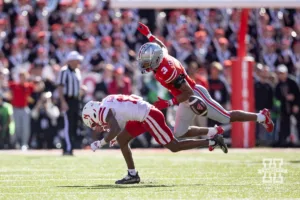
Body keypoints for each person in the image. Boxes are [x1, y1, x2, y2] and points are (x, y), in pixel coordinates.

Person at [136, 22, 274, 141]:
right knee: (179, 133)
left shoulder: (167, 71)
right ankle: (212, 132)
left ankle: (262, 117)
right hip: (184, 98)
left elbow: (188, 92)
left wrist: (168, 103)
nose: (145, 64)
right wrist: (149, 35)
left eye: (147, 61)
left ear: (155, 59)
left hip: (194, 95)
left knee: (225, 117)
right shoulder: (163, 58)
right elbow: (162, 47)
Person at [82, 94, 227, 184]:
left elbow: (115, 128)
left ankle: (212, 140)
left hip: (148, 115)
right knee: (122, 139)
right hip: (142, 114)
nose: (98, 127)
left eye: (95, 124)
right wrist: (113, 136)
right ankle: (132, 174)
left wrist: (100, 143)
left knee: (174, 146)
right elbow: (126, 110)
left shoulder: (102, 111)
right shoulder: (107, 101)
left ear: (93, 114)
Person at [56, 51, 83, 155]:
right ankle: (67, 148)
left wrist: (81, 89)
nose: (78, 62)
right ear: (71, 61)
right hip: (67, 99)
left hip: (76, 100)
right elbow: (60, 87)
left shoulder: (77, 71)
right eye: (77, 60)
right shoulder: (64, 71)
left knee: (74, 125)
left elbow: (77, 86)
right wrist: (63, 101)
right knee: (68, 125)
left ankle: (71, 146)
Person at [275, 65, 300, 146]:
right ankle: (285, 142)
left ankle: (297, 142)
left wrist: (296, 104)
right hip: (285, 108)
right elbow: (277, 97)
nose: (281, 75)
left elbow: (298, 94)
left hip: (295, 107)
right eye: (279, 73)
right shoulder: (278, 84)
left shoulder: (293, 82)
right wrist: (284, 97)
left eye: (282, 73)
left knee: (297, 124)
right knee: (285, 125)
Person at [9, 71, 34, 150]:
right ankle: (16, 143)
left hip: (24, 108)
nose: (22, 79)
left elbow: (38, 88)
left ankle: (24, 143)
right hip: (15, 108)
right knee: (17, 127)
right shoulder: (14, 85)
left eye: (24, 77)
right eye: (21, 77)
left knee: (25, 127)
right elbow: (5, 85)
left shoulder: (29, 86)